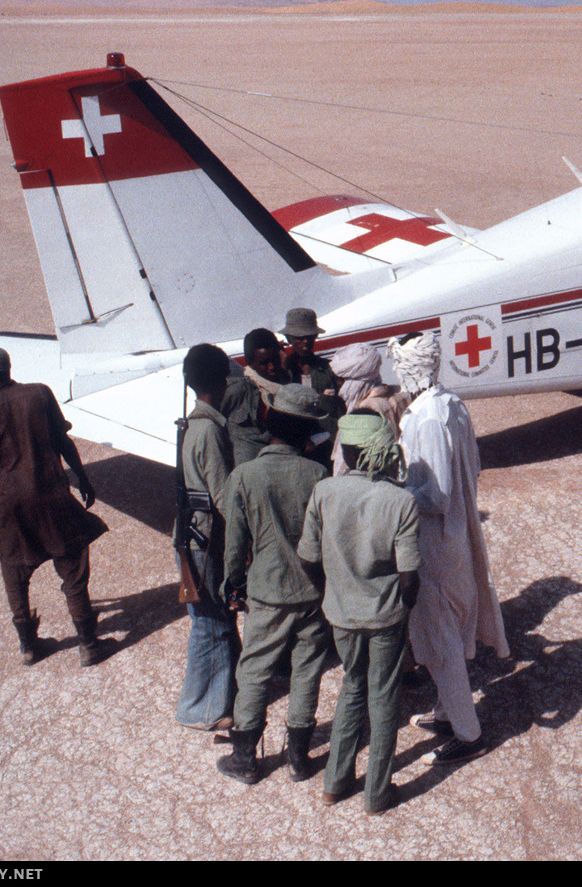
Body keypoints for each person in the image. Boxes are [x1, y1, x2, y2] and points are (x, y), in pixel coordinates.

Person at [391, 333, 510, 766]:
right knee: (452, 631)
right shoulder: (453, 405)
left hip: (436, 541)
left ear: (409, 368)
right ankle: (447, 711)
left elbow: (435, 496)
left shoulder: (427, 419)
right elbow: (472, 469)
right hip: (457, 535)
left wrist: (393, 492)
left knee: (440, 637)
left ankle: (468, 732)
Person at [298, 412, 421, 814]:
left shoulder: (324, 492)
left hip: (341, 615)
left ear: (347, 453)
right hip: (385, 617)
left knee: (353, 686)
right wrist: (403, 611)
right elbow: (408, 578)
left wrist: (330, 593)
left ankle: (335, 781)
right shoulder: (401, 501)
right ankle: (377, 793)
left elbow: (309, 558)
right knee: (384, 697)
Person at [0, 346, 109, 666]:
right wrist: (82, 478)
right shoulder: (40, 394)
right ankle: (88, 645)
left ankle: (28, 646)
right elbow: (63, 440)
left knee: (14, 569)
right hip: (52, 495)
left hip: (10, 504)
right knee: (72, 564)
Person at [217, 383, 330, 786]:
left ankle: (245, 758)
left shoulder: (244, 475)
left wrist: (233, 582)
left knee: (254, 672)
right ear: (307, 432)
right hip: (313, 591)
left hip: (266, 591)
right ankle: (299, 759)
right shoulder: (318, 474)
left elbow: (235, 544)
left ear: (268, 419)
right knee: (308, 670)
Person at [175, 344, 241, 731]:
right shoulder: (209, 431)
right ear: (221, 382)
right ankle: (202, 709)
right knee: (211, 622)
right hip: (204, 540)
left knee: (211, 619)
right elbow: (224, 498)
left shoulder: (191, 424)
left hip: (191, 537)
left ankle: (220, 694)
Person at [328, 342, 404, 475]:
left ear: (355, 380)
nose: (338, 385)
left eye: (341, 380)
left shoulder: (371, 407)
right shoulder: (395, 394)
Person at [280, 307, 344, 465]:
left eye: (309, 336)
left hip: (330, 448)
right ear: (288, 339)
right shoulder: (284, 373)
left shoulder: (330, 370)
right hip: (297, 449)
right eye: (299, 337)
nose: (305, 341)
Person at [222, 328, 293, 466]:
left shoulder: (290, 384)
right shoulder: (238, 390)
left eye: (275, 359)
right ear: (249, 363)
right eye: (264, 363)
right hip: (250, 466)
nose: (272, 367)